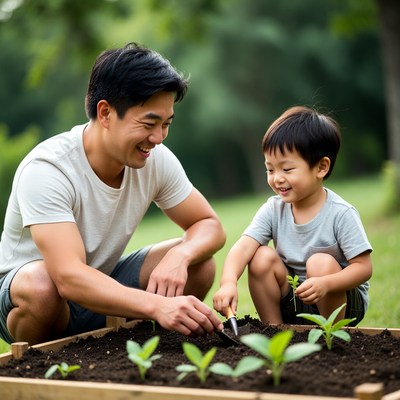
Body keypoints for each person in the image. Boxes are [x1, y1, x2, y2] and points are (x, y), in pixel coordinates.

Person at [0, 42, 226, 345]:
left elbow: (209, 225)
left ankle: (125, 350)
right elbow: (67, 277)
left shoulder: (154, 158)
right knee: (42, 287)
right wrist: (159, 306)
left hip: (100, 285)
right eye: (149, 123)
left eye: (166, 124)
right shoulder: (48, 169)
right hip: (34, 297)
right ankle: (43, 365)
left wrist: (181, 256)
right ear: (105, 112)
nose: (158, 138)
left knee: (199, 262)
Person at [213, 106, 372, 326]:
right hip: (296, 298)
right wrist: (228, 282)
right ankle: (275, 331)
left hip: (340, 300)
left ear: (321, 167)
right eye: (270, 169)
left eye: (287, 170)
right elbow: (242, 248)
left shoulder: (340, 213)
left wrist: (326, 283)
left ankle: (330, 336)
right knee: (260, 257)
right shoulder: (273, 209)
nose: (277, 178)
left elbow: (363, 268)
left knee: (320, 263)